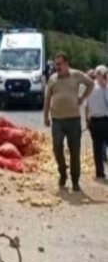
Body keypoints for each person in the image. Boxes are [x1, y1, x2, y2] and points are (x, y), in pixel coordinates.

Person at [43, 53, 94, 191]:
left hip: (73, 120)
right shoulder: (52, 79)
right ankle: (62, 172)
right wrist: (45, 117)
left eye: (59, 64)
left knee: (75, 150)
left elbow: (91, 83)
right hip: (57, 120)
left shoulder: (76, 75)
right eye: (55, 64)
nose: (57, 67)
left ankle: (75, 180)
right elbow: (47, 99)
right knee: (57, 147)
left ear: (66, 64)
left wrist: (83, 98)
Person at [84, 65, 108, 180]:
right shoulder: (105, 87)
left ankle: (100, 173)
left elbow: (86, 107)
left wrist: (87, 120)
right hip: (105, 121)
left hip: (94, 122)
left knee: (97, 149)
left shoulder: (90, 88)